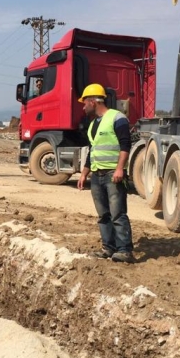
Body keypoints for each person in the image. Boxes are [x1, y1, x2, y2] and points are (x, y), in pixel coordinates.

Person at [76, 84, 136, 263]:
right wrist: (84, 173)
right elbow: (92, 151)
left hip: (112, 174)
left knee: (118, 213)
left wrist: (119, 169)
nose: (83, 106)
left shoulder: (117, 118)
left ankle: (125, 250)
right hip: (97, 175)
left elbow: (125, 145)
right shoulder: (93, 124)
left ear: (93, 101)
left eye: (85, 102)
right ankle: (108, 248)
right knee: (103, 215)